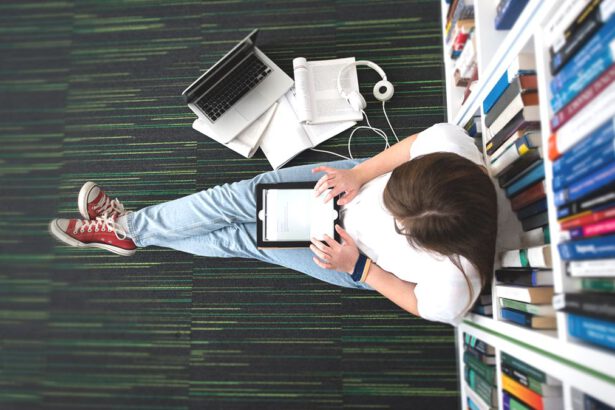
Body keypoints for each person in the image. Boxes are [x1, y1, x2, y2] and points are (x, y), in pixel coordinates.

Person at [48, 123, 504, 326]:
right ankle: (130, 229)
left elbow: (418, 302)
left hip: (351, 254)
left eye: (398, 221)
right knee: (234, 198)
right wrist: (362, 175)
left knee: (244, 237)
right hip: (350, 186)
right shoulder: (452, 149)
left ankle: (126, 230)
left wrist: (360, 268)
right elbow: (413, 145)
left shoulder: (457, 283)